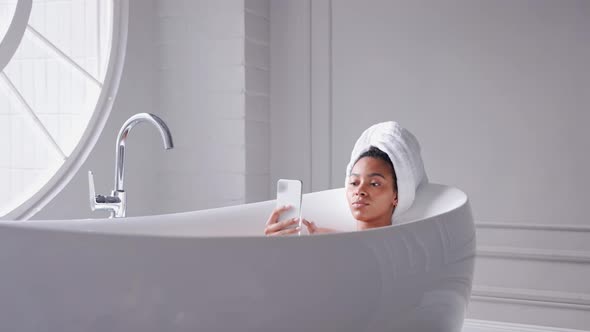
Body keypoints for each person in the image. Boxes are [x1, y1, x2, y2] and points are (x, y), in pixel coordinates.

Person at [264, 146, 398, 235]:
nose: (359, 190)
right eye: (354, 183)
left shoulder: (405, 249)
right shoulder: (322, 240)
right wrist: (274, 249)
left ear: (395, 196)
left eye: (374, 184)